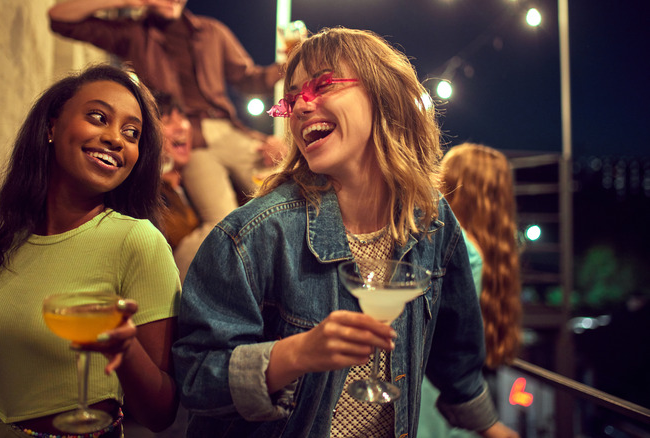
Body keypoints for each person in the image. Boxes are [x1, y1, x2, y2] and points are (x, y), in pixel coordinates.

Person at [171, 28, 520, 438]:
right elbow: (194, 377)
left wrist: (491, 426)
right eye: (292, 96)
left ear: (383, 94)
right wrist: (295, 353)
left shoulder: (432, 220)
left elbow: (455, 353)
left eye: (324, 84)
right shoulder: (254, 235)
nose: (301, 104)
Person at [0, 64, 181, 437]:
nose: (115, 139)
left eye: (131, 133)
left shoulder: (138, 241)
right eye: (98, 117)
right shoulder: (9, 241)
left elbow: (161, 415)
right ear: (51, 127)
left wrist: (124, 350)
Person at [48, 0, 288, 229]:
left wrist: (290, 61)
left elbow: (249, 80)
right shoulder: (134, 34)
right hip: (188, 140)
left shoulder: (212, 31)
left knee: (286, 192)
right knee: (222, 223)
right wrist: (131, 2)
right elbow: (60, 18)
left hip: (227, 128)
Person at [418, 143, 523, 437]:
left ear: (452, 185)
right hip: (452, 404)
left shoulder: (453, 244)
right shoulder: (485, 250)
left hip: (429, 401)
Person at [155, 91, 214, 284]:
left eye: (182, 117)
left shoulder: (198, 186)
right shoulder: (149, 193)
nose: (181, 126)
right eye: (167, 120)